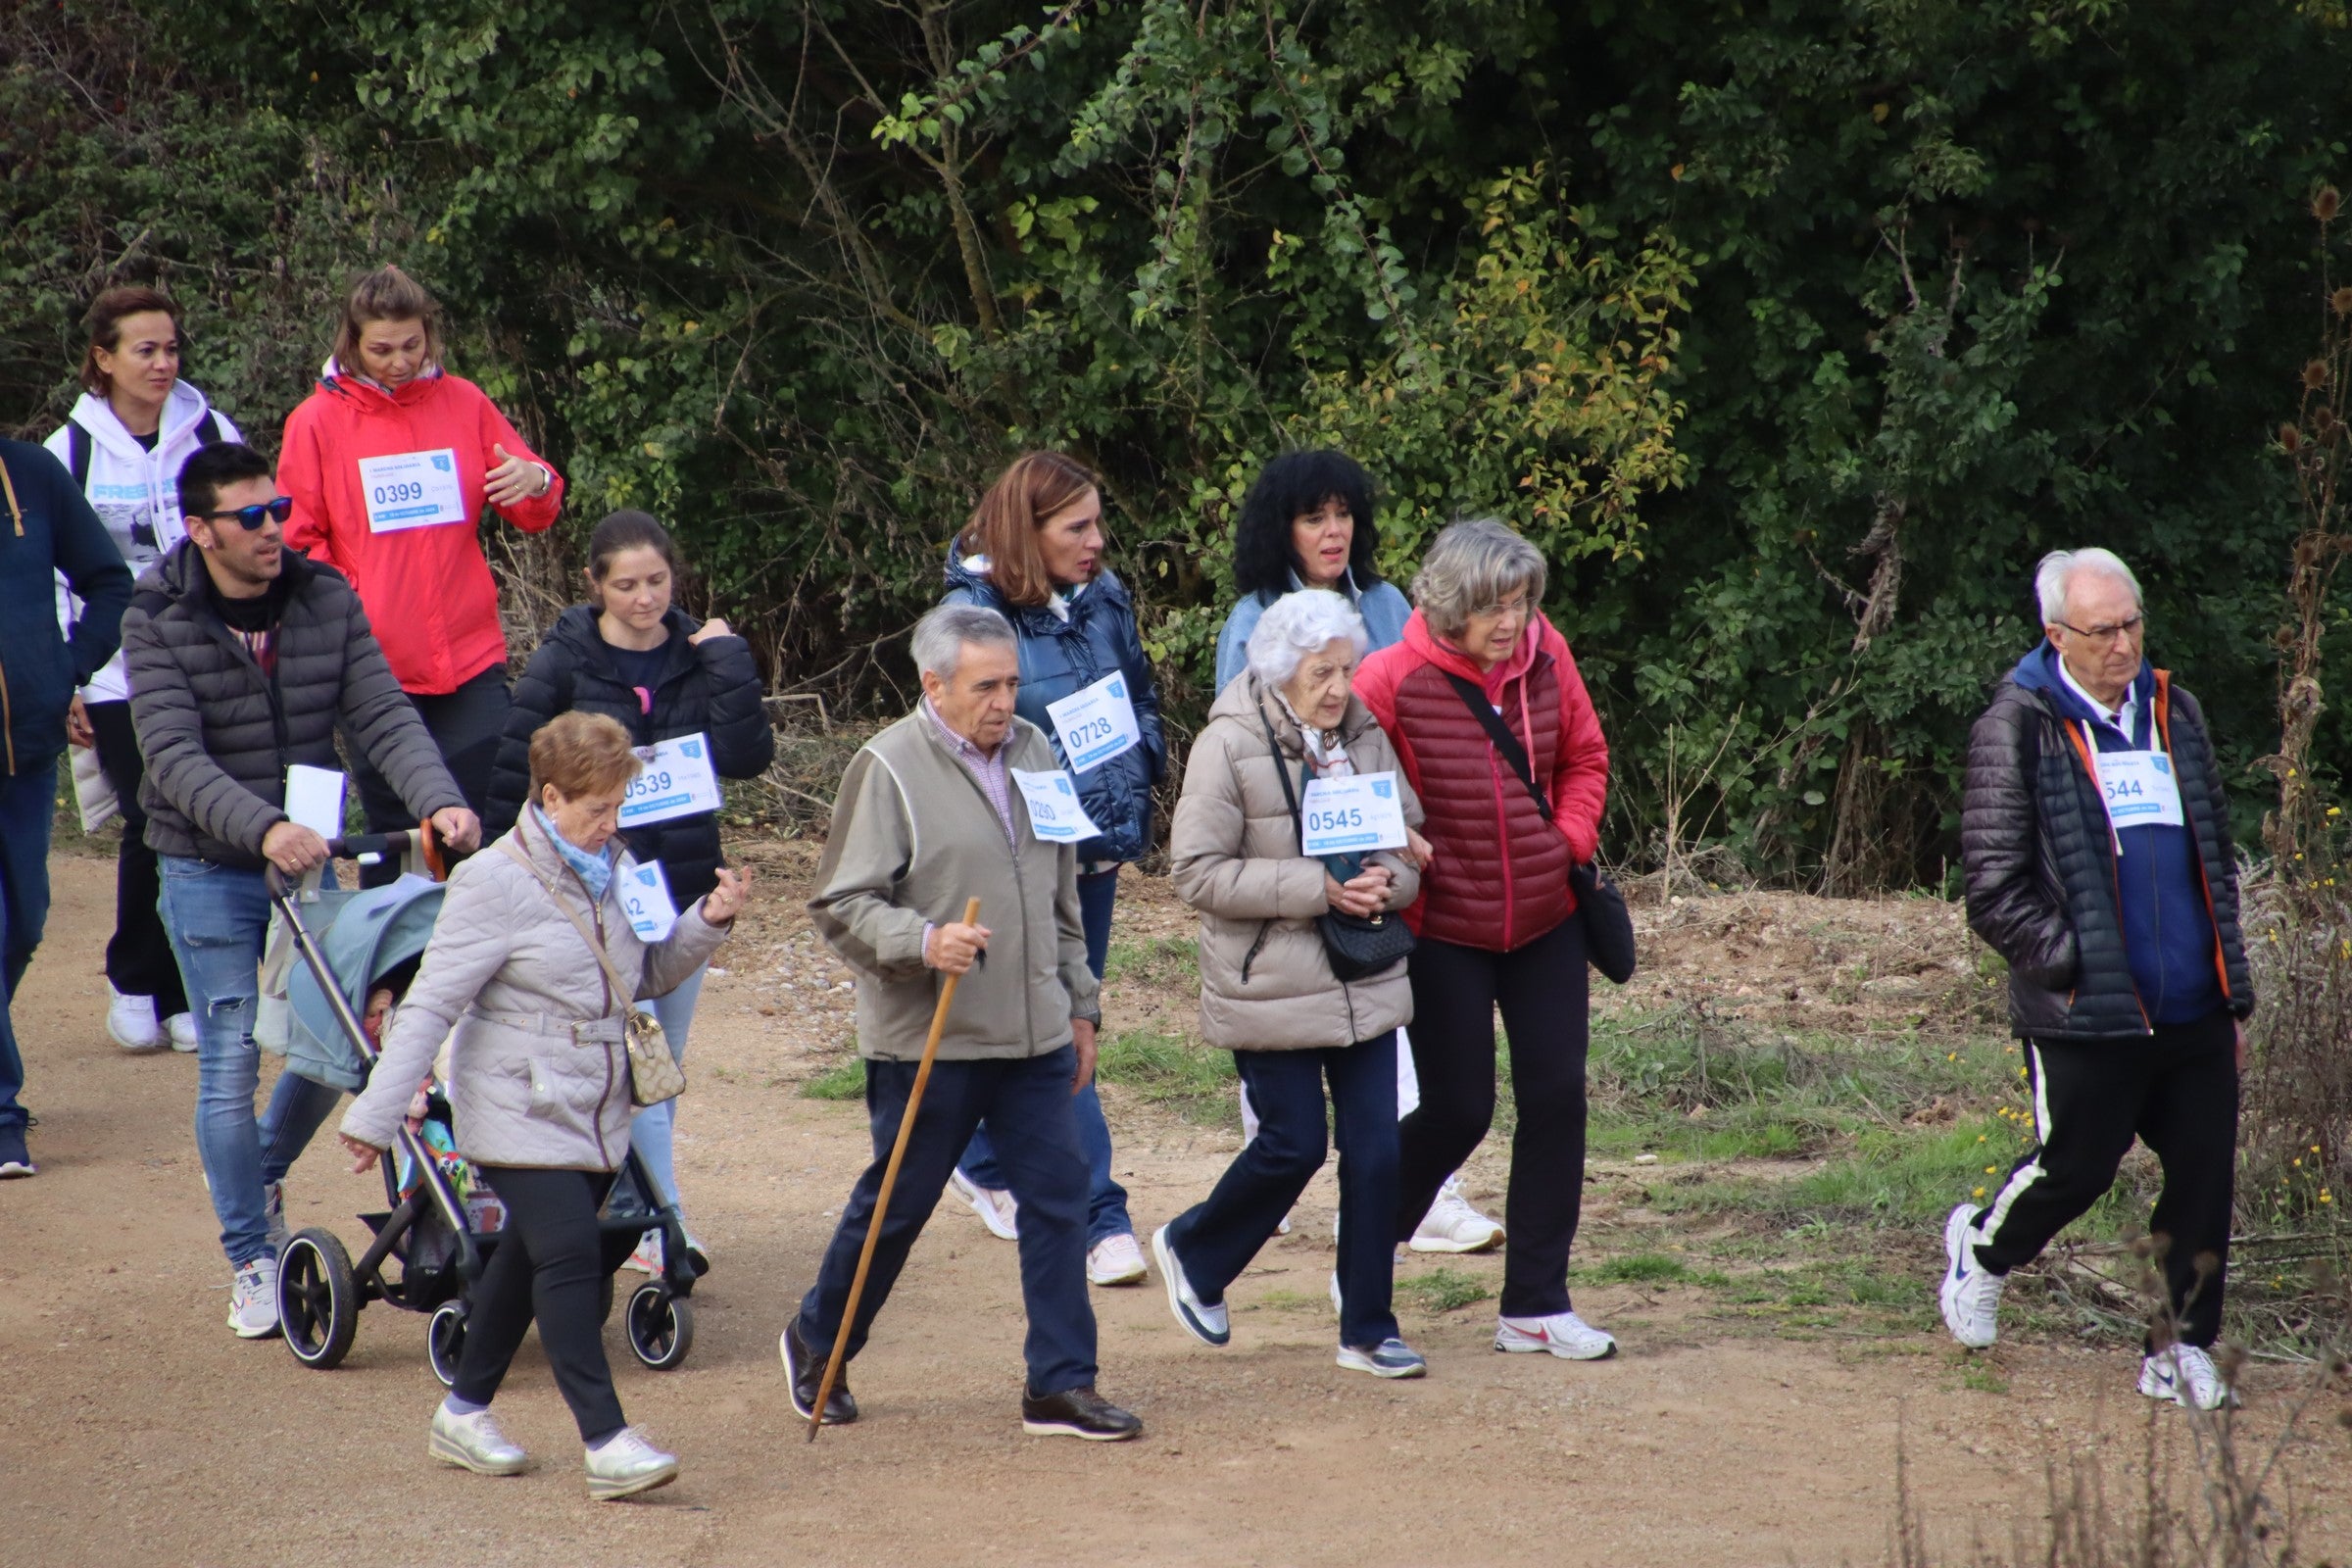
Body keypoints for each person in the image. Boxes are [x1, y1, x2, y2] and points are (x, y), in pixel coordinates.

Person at [120, 440, 482, 1335]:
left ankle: (260, 1164)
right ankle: (251, 1254)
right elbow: (170, 755)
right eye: (250, 517)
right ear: (201, 529)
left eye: (276, 510)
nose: (272, 528)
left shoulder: (324, 597)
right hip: (209, 862)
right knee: (234, 1056)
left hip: (310, 854)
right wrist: (262, 827)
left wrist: (440, 802)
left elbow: (382, 711)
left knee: (332, 1043)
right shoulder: (157, 617)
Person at [339, 710, 747, 1499]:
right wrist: (375, 1115)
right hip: (516, 1101)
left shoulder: (617, 861)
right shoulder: (491, 880)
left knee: (527, 1259)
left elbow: (645, 975)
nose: (611, 823)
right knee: (567, 1255)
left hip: (599, 1103)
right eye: (597, 809)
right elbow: (428, 1007)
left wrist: (708, 922)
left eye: (618, 806)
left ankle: (461, 1412)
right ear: (550, 797)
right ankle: (606, 1439)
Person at [784, 604, 1142, 1442]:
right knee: (897, 1207)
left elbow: (1060, 896)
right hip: (930, 1038)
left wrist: (1080, 1004)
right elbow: (839, 903)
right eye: (987, 686)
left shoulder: (1034, 749)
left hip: (1035, 1035)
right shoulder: (889, 767)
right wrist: (922, 940)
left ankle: (1060, 1383)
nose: (1004, 702)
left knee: (1060, 1201)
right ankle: (817, 1342)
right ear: (933, 684)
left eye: (1013, 683)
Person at [1943, 548, 2255, 1411]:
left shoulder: (2174, 713)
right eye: (2102, 630)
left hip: (2192, 1003)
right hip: (2087, 1008)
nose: (2123, 645)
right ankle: (1983, 1252)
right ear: (2056, 635)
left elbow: (2215, 858)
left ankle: (2177, 1347)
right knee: (2076, 1169)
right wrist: (2074, 964)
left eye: (2132, 624)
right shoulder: (2020, 723)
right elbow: (1993, 888)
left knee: (2202, 1174)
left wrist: (2233, 989)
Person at [1211, 449, 1500, 1254]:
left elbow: (1404, 718)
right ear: (1284, 529)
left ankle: (1423, 1192)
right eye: (1313, 517)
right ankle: (1267, 1171)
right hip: (1289, 852)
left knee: (1382, 1000)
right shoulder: (1253, 617)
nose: (1332, 530)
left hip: (1385, 839)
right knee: (1284, 1014)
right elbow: (1247, 753)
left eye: (1342, 514)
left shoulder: (1384, 603)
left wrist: (1397, 819)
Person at [1354, 516, 1616, 1362]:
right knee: (1460, 1107)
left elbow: (1586, 756)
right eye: (1494, 606)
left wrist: (1568, 843)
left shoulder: (1548, 653)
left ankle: (1535, 1304)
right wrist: (1397, 841)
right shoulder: (1387, 677)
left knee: (1556, 1100)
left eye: (1523, 602)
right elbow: (1347, 784)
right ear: (1448, 604)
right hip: (1444, 927)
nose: (1513, 622)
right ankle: (1365, 1252)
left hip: (1547, 918)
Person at [487, 509, 774, 1273]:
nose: (644, 599)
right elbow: (516, 763)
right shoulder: (563, 662)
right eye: (626, 586)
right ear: (594, 585)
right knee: (624, 1057)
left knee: (660, 1066)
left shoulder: (700, 653)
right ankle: (660, 1221)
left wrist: (731, 661)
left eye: (656, 582)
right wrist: (485, 870)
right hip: (595, 895)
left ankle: (639, 1211)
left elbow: (748, 756)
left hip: (681, 888)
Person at [1157, 590, 1428, 1377]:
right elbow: (1196, 873)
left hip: (1365, 969)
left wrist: (1386, 879)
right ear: (1282, 672)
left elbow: (1409, 849)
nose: (1341, 687)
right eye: (1322, 673)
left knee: (1378, 1151)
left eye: (1347, 668)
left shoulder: (1365, 733)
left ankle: (1369, 1329)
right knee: (1294, 1143)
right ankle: (1194, 1250)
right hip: (1269, 981)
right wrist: (1321, 887)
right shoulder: (1229, 743)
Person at [938, 452, 1163, 1288]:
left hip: (1094, 850)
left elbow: (1138, 691)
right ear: (1024, 534)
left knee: (1064, 1019)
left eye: (1098, 523)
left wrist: (1146, 760)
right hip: (1016, 859)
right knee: (1062, 1025)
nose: (1097, 541)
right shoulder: (969, 612)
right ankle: (1099, 1215)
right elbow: (953, 741)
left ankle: (986, 1161)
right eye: (1078, 527)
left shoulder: (1104, 597)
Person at [277, 264, 564, 851]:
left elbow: (536, 507)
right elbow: (298, 538)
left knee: (486, 815)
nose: (399, 361)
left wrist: (535, 479)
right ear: (350, 342)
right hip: (374, 659)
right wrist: (351, 599)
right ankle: (403, 941)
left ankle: (483, 941)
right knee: (401, 834)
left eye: (412, 345)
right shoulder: (315, 422)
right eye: (381, 349)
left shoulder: (463, 402)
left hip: (468, 651)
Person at [45, 286, 240, 1054]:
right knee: (151, 816)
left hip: (210, 659)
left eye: (171, 348)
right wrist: (70, 672)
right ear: (104, 359)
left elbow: (250, 528)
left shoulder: (213, 430)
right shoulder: (71, 451)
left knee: (204, 820)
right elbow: (50, 570)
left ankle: (188, 988)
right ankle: (136, 980)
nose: (163, 363)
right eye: (145, 350)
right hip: (116, 668)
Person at [0, 438, 133, 1177]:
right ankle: (2, 1115)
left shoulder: (32, 474)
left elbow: (109, 581)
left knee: (23, 924)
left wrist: (67, 668)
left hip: (27, 749)